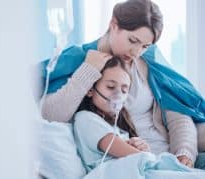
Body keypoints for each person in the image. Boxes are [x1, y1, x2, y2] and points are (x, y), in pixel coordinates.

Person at [40, 0, 205, 169]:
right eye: (132, 40)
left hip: (172, 150)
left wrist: (184, 153)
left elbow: (178, 113)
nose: (136, 52)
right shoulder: (79, 59)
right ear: (114, 24)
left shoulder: (147, 62)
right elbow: (51, 115)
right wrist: (88, 70)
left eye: (145, 46)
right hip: (141, 159)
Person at [73, 56, 150, 172]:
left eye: (124, 90)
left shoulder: (118, 126)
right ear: (90, 90)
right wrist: (144, 154)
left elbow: (140, 158)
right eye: (111, 87)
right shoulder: (85, 118)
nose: (118, 94)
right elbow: (136, 156)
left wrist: (143, 148)